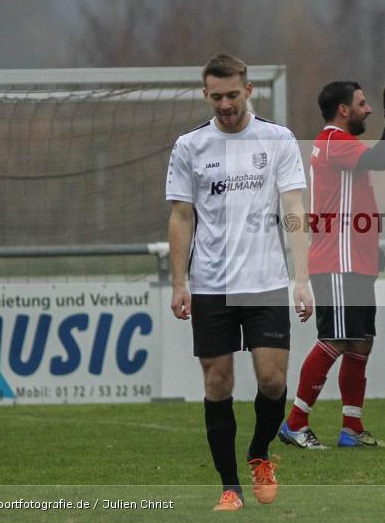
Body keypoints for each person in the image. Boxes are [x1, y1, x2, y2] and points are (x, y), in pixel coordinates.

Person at [166, 54, 313, 511]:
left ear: (248, 90)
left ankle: (259, 452)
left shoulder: (278, 139)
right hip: (211, 285)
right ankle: (230, 486)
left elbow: (294, 208)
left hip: (265, 281)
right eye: (217, 97)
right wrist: (179, 283)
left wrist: (302, 278)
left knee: (272, 381)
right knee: (218, 383)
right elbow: (181, 215)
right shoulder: (190, 146)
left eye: (232, 95)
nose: (225, 104)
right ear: (205, 95)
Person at [278, 80, 385, 449]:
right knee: (334, 339)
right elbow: (381, 160)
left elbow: (353, 202)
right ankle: (295, 423)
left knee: (360, 343)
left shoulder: (339, 144)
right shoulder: (334, 140)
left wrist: (371, 247)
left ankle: (351, 429)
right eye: (362, 104)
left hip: (353, 259)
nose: (368, 110)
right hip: (337, 262)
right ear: (343, 110)